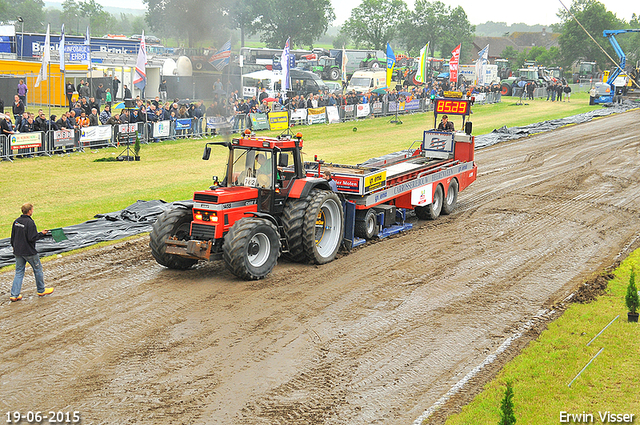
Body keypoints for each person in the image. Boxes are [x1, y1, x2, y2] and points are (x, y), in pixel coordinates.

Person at [9, 203, 54, 302]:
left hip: (17, 251)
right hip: (29, 252)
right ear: (29, 211)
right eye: (32, 209)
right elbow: (32, 238)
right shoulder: (30, 223)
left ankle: (14, 295)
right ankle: (41, 290)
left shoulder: (16, 222)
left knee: (19, 272)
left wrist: (14, 247)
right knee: (38, 269)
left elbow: (12, 237)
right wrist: (42, 234)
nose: (33, 211)